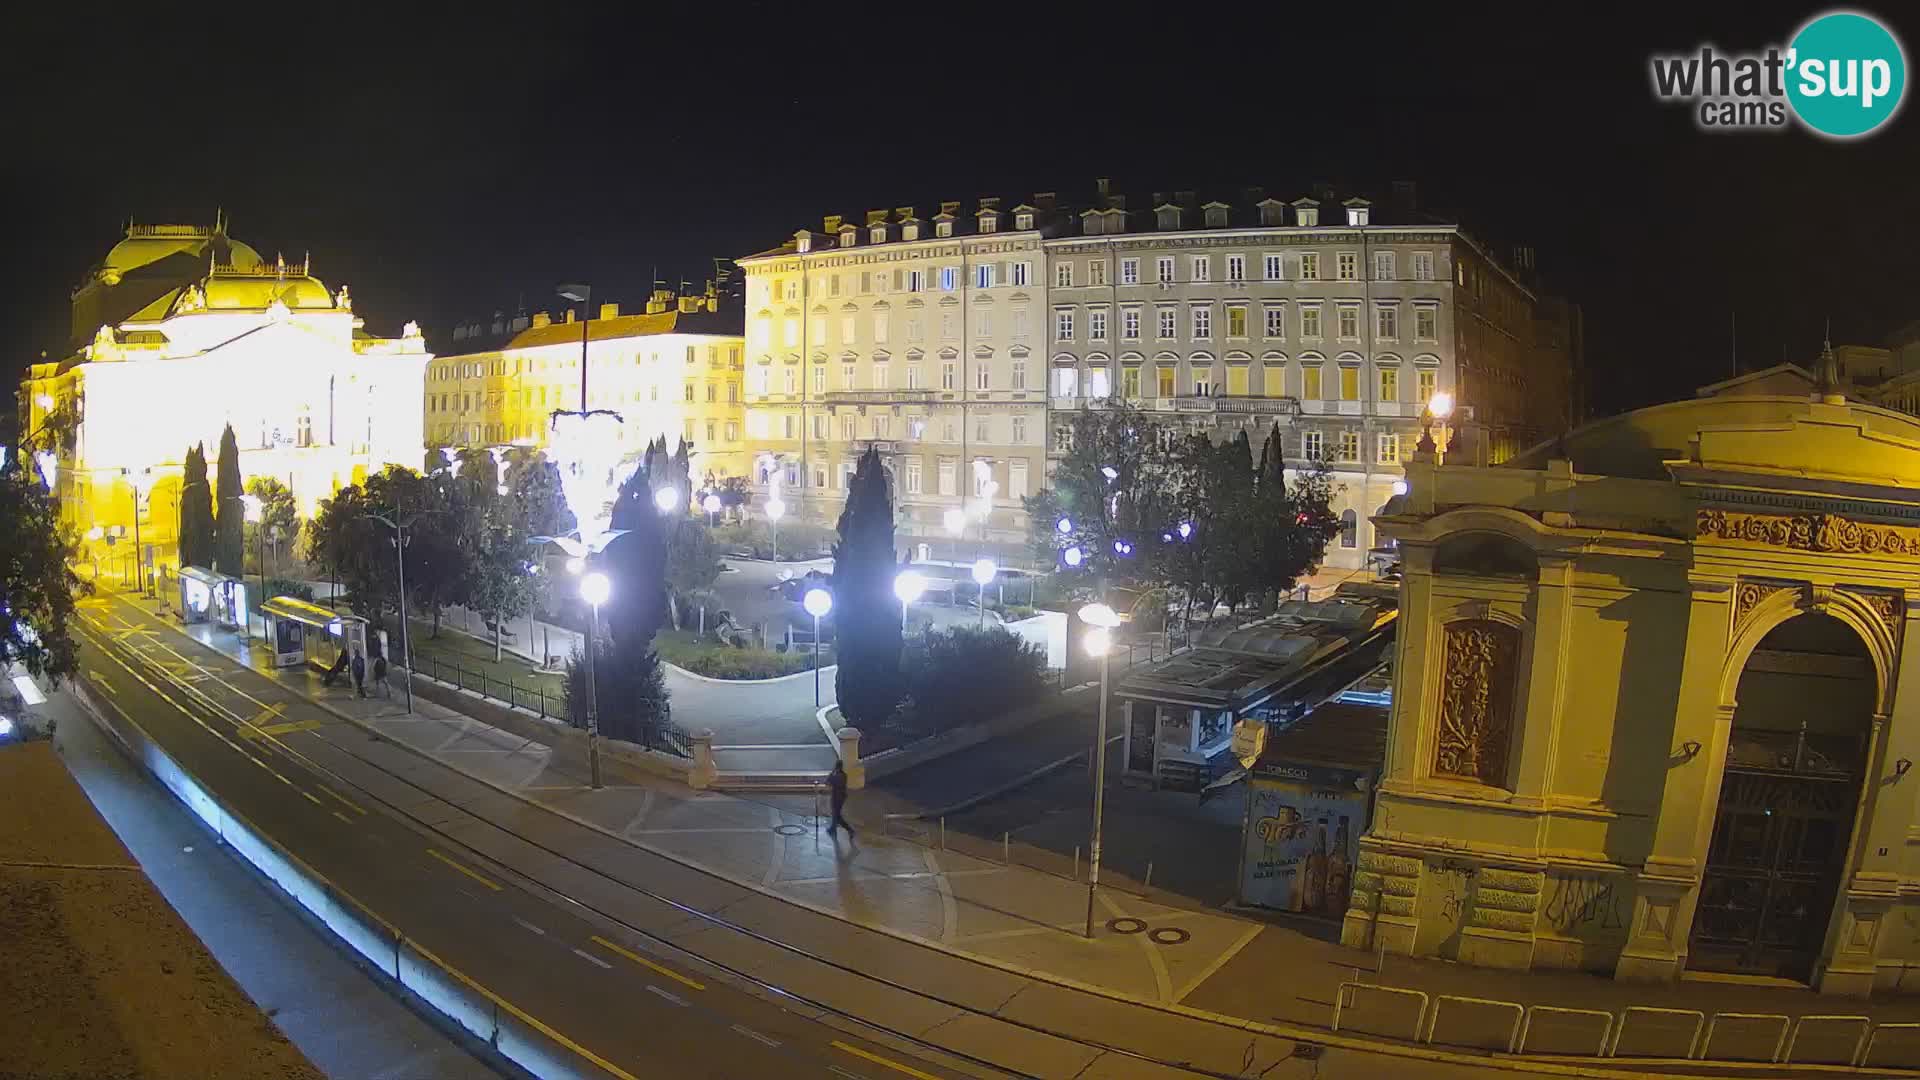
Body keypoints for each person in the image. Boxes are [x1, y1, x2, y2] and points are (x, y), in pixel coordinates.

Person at [827, 759, 855, 840]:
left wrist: (832, 773)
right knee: (835, 814)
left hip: (837, 798)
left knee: (837, 816)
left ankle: (850, 830)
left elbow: (829, 781)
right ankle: (833, 828)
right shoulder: (843, 775)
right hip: (839, 797)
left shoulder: (838, 776)